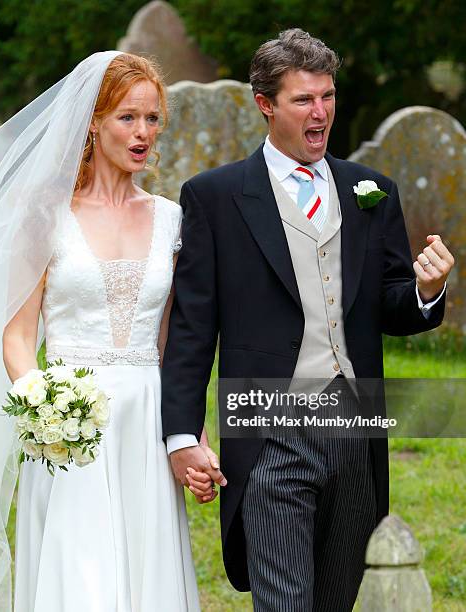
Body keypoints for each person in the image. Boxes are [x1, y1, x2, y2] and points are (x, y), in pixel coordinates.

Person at [161, 29, 455, 611]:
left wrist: (426, 290)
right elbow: (193, 329)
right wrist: (181, 435)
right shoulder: (215, 198)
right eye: (303, 100)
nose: (320, 113)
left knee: (339, 598)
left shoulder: (371, 191)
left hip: (355, 430)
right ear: (265, 104)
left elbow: (390, 306)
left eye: (327, 96)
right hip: (269, 430)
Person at [0, 52, 215, 611]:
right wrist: (48, 409)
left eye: (153, 119)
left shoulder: (172, 220)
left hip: (146, 421)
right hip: (69, 427)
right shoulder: (43, 215)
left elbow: (169, 344)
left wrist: (190, 435)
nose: (143, 133)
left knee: (144, 575)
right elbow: (16, 337)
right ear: (93, 121)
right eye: (128, 117)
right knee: (80, 579)